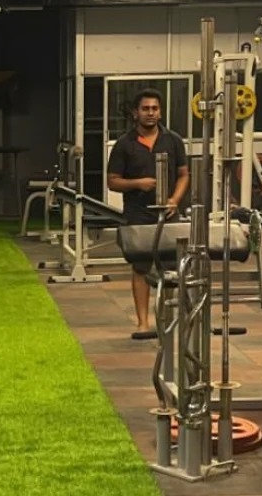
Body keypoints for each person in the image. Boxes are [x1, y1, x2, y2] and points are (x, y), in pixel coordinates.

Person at [106, 89, 190, 340]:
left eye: (155, 108)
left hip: (168, 213)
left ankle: (167, 319)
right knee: (141, 267)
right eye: (145, 109)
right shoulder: (124, 144)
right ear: (136, 113)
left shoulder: (173, 140)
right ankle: (143, 323)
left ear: (160, 112)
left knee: (171, 268)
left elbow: (184, 174)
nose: (150, 113)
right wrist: (138, 183)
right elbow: (112, 181)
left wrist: (175, 200)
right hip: (138, 214)